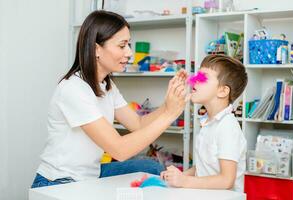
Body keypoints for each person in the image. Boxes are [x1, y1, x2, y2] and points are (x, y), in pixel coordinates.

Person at [31, 10, 189, 188]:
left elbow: (138, 124)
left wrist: (168, 106)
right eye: (122, 46)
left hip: (91, 173)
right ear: (96, 49)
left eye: (128, 44)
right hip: (60, 180)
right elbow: (120, 150)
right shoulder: (73, 89)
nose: (129, 53)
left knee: (149, 167)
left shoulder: (107, 86)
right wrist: (169, 116)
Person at [161, 54, 248, 192]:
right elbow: (203, 168)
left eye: (202, 78)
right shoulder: (208, 123)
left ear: (222, 91)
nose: (194, 80)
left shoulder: (227, 127)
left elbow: (226, 180)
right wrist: (178, 177)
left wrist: (184, 181)